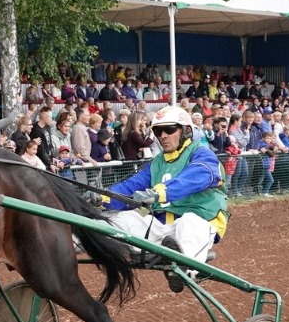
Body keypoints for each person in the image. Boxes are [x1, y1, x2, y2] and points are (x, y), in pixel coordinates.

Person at [90, 105, 227, 293]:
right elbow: (132, 185)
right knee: (117, 219)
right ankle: (68, 245)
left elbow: (198, 175)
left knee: (189, 222)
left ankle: (184, 268)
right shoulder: (156, 162)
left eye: (169, 129)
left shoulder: (202, 153)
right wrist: (103, 197)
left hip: (201, 221)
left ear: (186, 130)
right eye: (157, 131)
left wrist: (159, 192)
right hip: (163, 226)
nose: (162, 136)